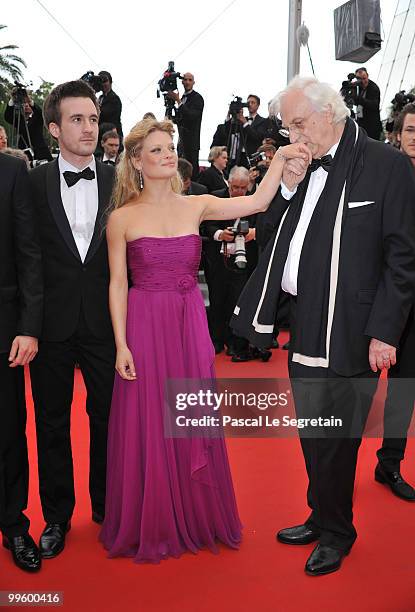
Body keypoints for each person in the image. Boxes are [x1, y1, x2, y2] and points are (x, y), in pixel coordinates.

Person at [99, 117, 310, 563]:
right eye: (155, 150)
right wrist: (121, 343)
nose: (167, 154)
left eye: (170, 147)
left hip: (188, 320)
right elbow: (117, 284)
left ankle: (193, 514)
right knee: (149, 416)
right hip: (144, 322)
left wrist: (283, 158)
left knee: (189, 413)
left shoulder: (196, 204)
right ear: (136, 160)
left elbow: (256, 200)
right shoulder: (121, 218)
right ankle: (154, 518)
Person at [231, 76, 415, 575]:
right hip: (304, 319)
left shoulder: (388, 166)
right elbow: (268, 242)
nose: (290, 133)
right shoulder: (301, 164)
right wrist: (287, 186)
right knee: (313, 430)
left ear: (326, 114)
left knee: (338, 436)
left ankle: (338, 532)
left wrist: (385, 331)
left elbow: (404, 259)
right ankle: (321, 513)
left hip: (355, 326)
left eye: (295, 122)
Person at [29, 80, 116, 560]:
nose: (89, 128)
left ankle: (106, 506)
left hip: (106, 324)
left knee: (108, 419)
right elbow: (25, 255)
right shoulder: (34, 182)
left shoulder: (120, 181)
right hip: (51, 325)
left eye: (93, 119)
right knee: (52, 422)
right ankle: (57, 516)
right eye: (78, 120)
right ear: (54, 128)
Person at [0, 152, 43, 572]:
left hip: (3, 329)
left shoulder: (12, 171)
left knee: (8, 434)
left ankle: (13, 524)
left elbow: (29, 253)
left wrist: (29, 326)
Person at [375, 103, 415, 501]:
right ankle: (335, 474)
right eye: (410, 130)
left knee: (405, 387)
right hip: (382, 298)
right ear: (397, 134)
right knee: (359, 388)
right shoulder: (384, 173)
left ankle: (389, 463)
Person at [201, 166, 257, 359]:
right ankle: (215, 340)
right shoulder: (215, 197)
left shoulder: (255, 200)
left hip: (244, 261)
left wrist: (252, 233)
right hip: (218, 261)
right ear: (228, 183)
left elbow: (264, 225)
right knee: (217, 301)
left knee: (238, 302)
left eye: (243, 188)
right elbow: (207, 223)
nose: (239, 192)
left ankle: (236, 343)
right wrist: (219, 234)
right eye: (235, 187)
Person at [168, 72, 204, 180]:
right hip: (181, 140)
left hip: (192, 142)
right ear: (182, 81)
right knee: (181, 169)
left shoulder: (197, 98)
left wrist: (178, 101)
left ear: (193, 82)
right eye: (185, 80)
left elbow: (192, 116)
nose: (187, 82)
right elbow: (181, 119)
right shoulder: (183, 97)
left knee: (191, 171)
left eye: (190, 80)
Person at [4, 90, 52, 162]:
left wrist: (29, 101)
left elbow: (39, 112)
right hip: (24, 152)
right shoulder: (19, 120)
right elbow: (8, 117)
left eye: (28, 104)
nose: (26, 105)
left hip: (40, 153)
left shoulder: (38, 117)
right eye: (24, 103)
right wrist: (12, 100)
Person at [353, 67, 382, 140]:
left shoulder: (373, 88)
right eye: (360, 79)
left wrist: (361, 100)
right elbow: (357, 102)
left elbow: (374, 105)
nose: (363, 81)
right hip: (361, 122)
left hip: (371, 125)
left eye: (364, 78)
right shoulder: (358, 87)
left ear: (367, 76)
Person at [98, 71, 123, 141]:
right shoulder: (100, 98)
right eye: (101, 82)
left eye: (105, 81)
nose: (103, 84)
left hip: (113, 136)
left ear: (110, 82)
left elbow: (103, 115)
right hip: (102, 136)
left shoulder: (114, 98)